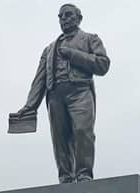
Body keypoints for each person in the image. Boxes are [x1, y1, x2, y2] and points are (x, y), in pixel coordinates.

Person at [16, 3, 110, 183]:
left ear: (79, 18)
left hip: (80, 91)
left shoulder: (90, 39)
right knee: (59, 138)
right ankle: (65, 177)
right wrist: (30, 106)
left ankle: (83, 174)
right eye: (60, 16)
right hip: (55, 96)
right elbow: (39, 80)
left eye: (68, 15)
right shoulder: (49, 49)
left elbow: (103, 65)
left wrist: (73, 55)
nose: (64, 19)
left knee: (83, 132)